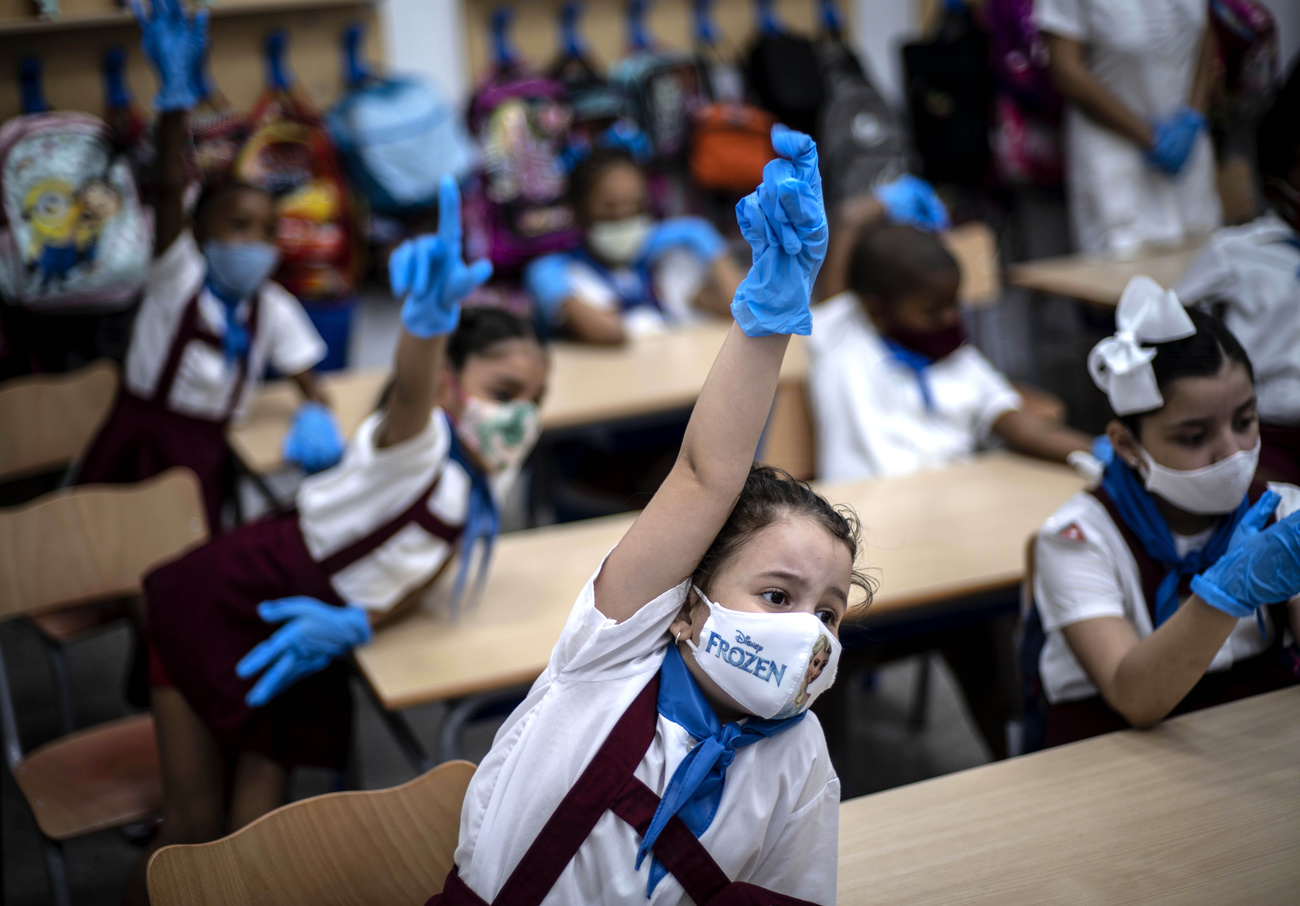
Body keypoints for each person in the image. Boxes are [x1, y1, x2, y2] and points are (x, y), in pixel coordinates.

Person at [433, 127, 860, 905]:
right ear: (687, 611)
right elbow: (706, 476)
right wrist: (769, 316)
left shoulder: (801, 757)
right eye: (776, 595)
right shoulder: (615, 654)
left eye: (828, 614)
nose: (807, 630)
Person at [123, 177, 542, 904]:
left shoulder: (482, 484)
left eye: (535, 402)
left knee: (259, 833)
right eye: (504, 394)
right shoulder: (417, 446)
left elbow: (415, 577)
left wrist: (359, 622)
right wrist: (428, 324)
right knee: (191, 828)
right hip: (229, 596)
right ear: (452, 388)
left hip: (310, 633)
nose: (520, 417)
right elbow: (410, 393)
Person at [76, 0, 344, 531]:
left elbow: (309, 379)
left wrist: (317, 412)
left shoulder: (271, 307)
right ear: (200, 234)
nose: (256, 243)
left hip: (206, 458)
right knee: (109, 550)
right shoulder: (179, 280)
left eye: (269, 231)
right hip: (141, 444)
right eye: (238, 226)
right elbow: (172, 189)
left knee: (188, 552)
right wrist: (175, 101)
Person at [1032, 275, 1300, 748]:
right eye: (1194, 438)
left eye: (1245, 421)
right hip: (1109, 750)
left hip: (1245, 737)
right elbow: (1133, 697)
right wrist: (1228, 590)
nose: (1231, 453)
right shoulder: (1077, 538)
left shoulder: (1282, 510)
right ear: (1126, 444)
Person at [809, 220, 1093, 482]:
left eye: (954, 304)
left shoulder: (960, 360)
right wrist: (881, 202)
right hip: (865, 510)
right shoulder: (843, 336)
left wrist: (1106, 453)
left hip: (953, 500)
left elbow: (1023, 428)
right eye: (932, 310)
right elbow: (848, 222)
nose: (950, 318)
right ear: (876, 308)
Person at [1175, 62, 1300, 484]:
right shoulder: (1238, 252)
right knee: (1269, 509)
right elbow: (1171, 319)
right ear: (1275, 183)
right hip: (1266, 431)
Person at [1037, 0, 1221, 251]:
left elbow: (1204, 34)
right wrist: (1149, 137)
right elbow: (1066, 70)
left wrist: (1194, 115)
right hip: (1114, 151)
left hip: (1188, 148)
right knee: (1125, 270)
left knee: (1200, 261)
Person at [523, 147, 745, 345]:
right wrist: (557, 293)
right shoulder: (567, 275)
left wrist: (709, 245)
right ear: (578, 212)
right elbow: (610, 333)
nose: (625, 219)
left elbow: (734, 305)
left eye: (637, 208)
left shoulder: (663, 264)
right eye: (610, 211)